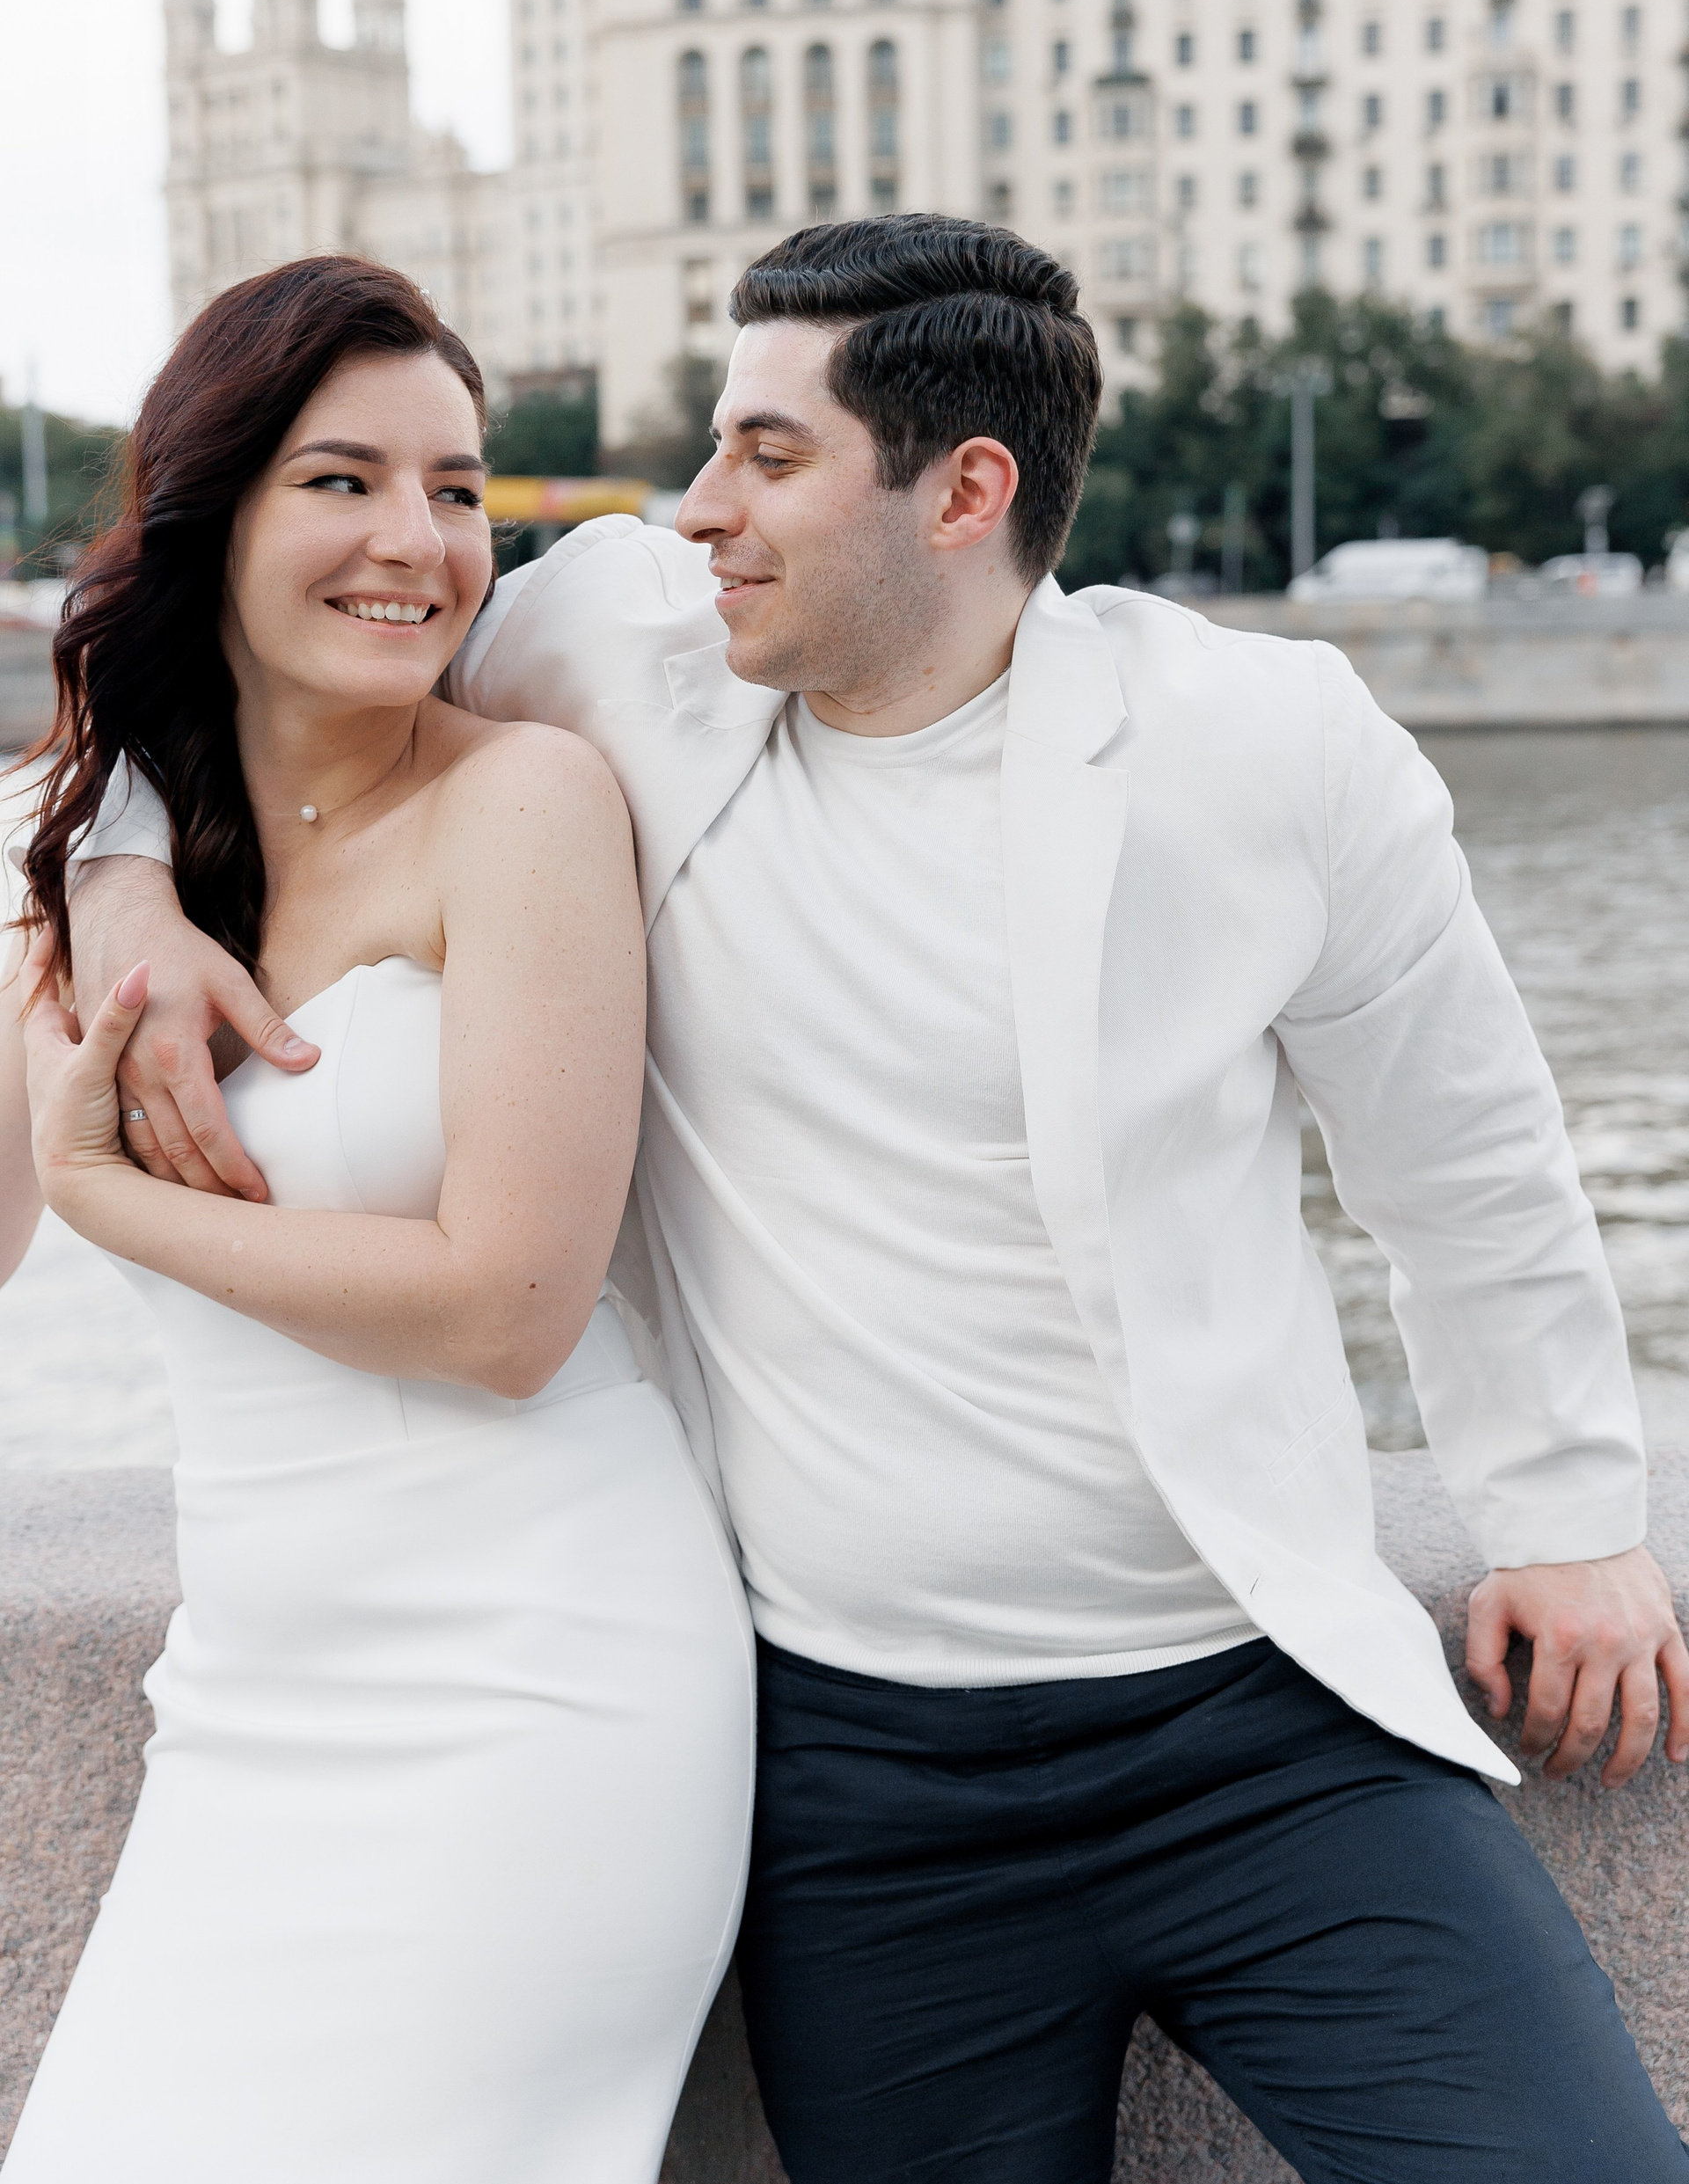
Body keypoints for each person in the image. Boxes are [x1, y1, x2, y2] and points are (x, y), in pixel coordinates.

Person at [69, 217, 1689, 2182]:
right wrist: (119, 881)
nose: (699, 508)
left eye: (768, 455)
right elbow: (248, 648)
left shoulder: (1264, 746)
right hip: (863, 1788)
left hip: (1263, 1730)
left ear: (964, 492)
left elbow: (1467, 1149)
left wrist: (1569, 1512)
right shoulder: (627, 648)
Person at [2, 257, 754, 2184]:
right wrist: (92, 873)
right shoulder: (85, 853)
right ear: (211, 513)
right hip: (246, 1695)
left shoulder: (526, 802)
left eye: (456, 486)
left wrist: (112, 1201)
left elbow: (508, 1305)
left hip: (541, 1682)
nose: (417, 540)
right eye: (342, 480)